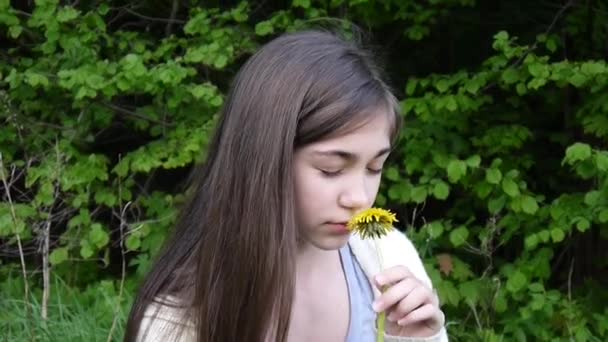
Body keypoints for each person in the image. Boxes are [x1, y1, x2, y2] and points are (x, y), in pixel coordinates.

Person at [124, 29, 448, 342]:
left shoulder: (387, 254)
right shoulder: (178, 318)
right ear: (262, 162)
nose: (360, 199)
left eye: (375, 167)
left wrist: (415, 340)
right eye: (330, 169)